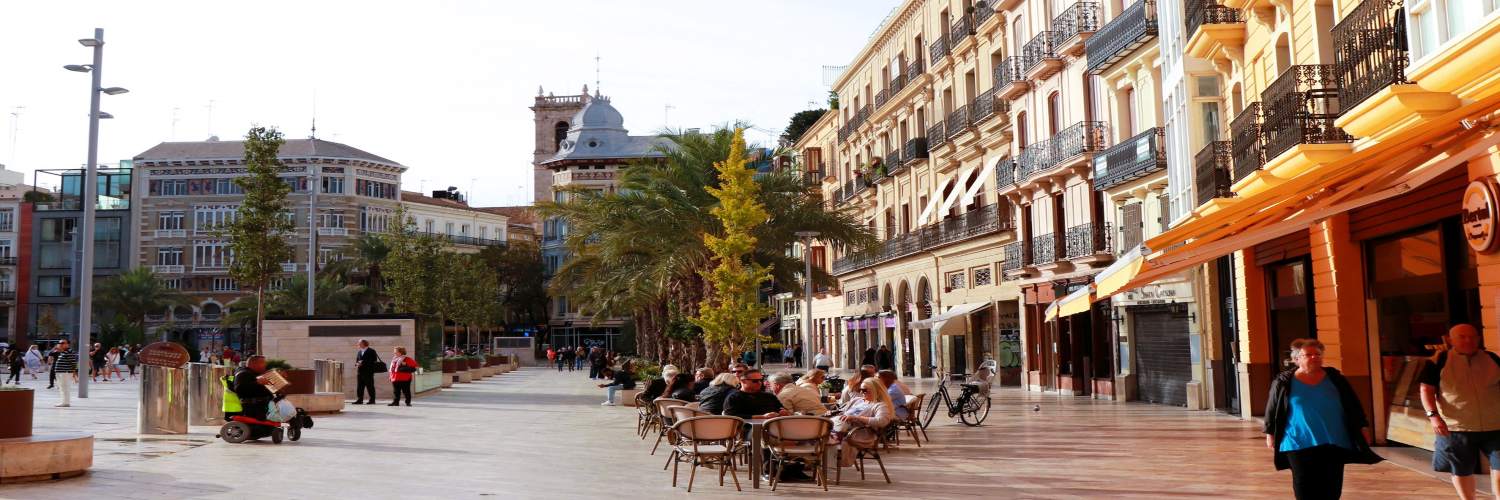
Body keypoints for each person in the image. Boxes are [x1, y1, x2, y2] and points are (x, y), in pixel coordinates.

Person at [1264, 338, 1382, 500]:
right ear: (1296, 359)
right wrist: (1270, 433)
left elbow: (1353, 404)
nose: (1314, 357)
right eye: (1308, 355)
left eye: (1317, 354)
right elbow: (1272, 408)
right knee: (1304, 484)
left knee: (1331, 485)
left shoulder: (1335, 378)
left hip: (1334, 439)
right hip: (1297, 440)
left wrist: (1363, 426)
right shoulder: (1284, 381)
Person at [1419, 324, 1500, 499]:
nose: (1469, 340)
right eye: (1462, 337)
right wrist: (1434, 417)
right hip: (1456, 426)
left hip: (1496, 424)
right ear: (1450, 340)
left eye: (1473, 337)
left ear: (1479, 339)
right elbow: (1426, 390)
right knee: (1461, 469)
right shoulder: (1438, 361)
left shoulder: (1492, 358)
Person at [834, 377, 895, 467]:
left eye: (865, 390)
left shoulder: (879, 405)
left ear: (875, 391)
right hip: (843, 428)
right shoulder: (857, 400)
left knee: (826, 439)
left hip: (857, 433)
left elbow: (882, 421)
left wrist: (857, 418)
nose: (861, 392)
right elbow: (843, 412)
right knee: (820, 433)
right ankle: (817, 461)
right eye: (860, 390)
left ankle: (821, 463)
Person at [722, 369, 787, 421]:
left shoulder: (769, 396)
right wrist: (762, 417)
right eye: (755, 381)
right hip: (746, 429)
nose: (759, 383)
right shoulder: (734, 397)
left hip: (773, 428)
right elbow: (730, 416)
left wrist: (782, 411)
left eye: (761, 380)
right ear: (743, 381)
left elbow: (780, 408)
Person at [230, 355, 276, 421]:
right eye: (263, 363)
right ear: (253, 364)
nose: (265, 365)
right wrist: (257, 383)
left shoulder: (255, 373)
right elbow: (240, 389)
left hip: (262, 407)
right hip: (253, 409)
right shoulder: (243, 373)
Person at [354, 339, 381, 405]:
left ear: (363, 344)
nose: (358, 344)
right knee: (359, 387)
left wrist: (363, 363)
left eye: (359, 343)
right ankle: (359, 400)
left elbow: (374, 361)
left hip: (368, 372)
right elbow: (357, 360)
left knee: (370, 386)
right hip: (360, 372)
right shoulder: (359, 352)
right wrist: (357, 364)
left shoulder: (371, 351)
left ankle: (372, 400)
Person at [53, 342, 78, 407]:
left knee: (64, 387)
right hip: (62, 372)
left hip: (65, 373)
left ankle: (65, 402)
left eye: (62, 343)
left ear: (67, 344)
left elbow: (73, 363)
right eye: (59, 343)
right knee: (62, 387)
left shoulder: (68, 352)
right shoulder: (63, 352)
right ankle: (64, 401)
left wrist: (74, 373)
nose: (59, 344)